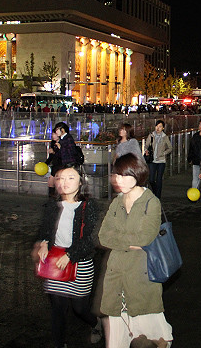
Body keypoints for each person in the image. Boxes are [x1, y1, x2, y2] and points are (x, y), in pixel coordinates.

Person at [98, 153, 173, 348]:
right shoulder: (117, 202)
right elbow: (103, 236)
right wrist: (129, 241)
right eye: (117, 175)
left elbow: (145, 238)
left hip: (142, 274)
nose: (118, 180)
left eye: (124, 176)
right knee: (117, 337)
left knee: (154, 333)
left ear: (137, 174)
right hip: (116, 274)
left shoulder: (151, 202)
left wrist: (118, 239)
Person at [36, 164, 102, 348]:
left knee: (79, 309)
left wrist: (71, 255)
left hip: (80, 263)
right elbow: (45, 229)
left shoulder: (89, 206)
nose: (65, 182)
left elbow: (91, 238)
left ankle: (95, 323)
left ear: (81, 182)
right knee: (58, 309)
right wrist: (43, 243)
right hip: (56, 262)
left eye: (71, 178)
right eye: (61, 178)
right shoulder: (52, 205)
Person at [145, 120, 172, 199]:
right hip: (152, 160)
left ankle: (158, 197)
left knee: (159, 179)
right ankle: (155, 191)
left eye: (160, 126)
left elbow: (170, 148)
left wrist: (164, 153)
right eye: (157, 126)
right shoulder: (151, 135)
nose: (158, 128)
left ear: (163, 128)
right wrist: (146, 150)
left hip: (161, 161)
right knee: (151, 179)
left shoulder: (165, 137)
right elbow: (146, 145)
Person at [45, 127, 63, 197]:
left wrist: (54, 152)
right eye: (52, 134)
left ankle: (56, 196)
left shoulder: (62, 143)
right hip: (55, 164)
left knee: (54, 180)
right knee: (51, 181)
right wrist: (46, 163)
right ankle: (51, 196)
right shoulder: (53, 143)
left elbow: (63, 154)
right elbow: (51, 156)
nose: (53, 136)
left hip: (61, 164)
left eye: (54, 134)